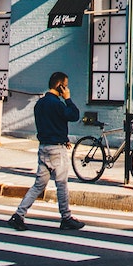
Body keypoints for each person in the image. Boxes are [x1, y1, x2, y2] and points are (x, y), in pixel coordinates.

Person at [8, 71, 86, 230]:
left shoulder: (40, 104)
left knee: (39, 184)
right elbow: (74, 115)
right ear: (61, 86)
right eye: (66, 85)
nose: (67, 88)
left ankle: (19, 214)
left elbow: (51, 123)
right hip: (56, 149)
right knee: (62, 184)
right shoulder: (58, 104)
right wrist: (68, 99)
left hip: (43, 147)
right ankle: (66, 217)